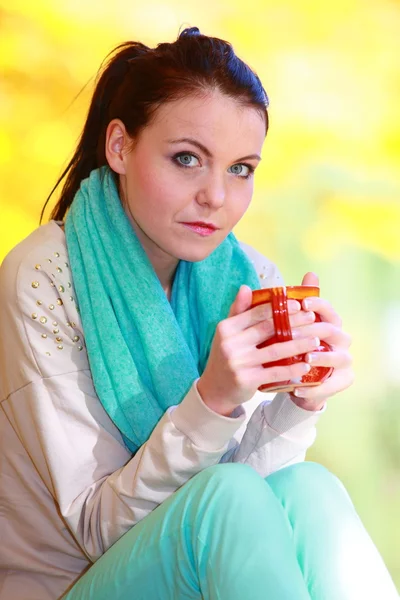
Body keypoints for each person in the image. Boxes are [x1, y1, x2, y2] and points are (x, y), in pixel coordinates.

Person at [0, 26, 397, 600]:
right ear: (120, 147)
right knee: (225, 495)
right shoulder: (43, 276)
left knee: (312, 488)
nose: (217, 195)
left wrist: (298, 402)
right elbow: (95, 530)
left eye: (241, 168)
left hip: (198, 563)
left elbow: (257, 513)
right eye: (188, 159)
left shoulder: (249, 279)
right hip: (73, 586)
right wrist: (212, 400)